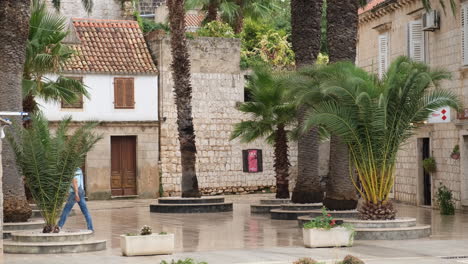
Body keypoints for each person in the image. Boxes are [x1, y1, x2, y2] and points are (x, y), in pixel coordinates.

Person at [58, 167, 94, 231]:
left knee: (66, 210)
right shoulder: (79, 169)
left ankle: (59, 226)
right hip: (81, 192)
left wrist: (76, 194)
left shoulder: (74, 170)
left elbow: (75, 182)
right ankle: (90, 228)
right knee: (85, 212)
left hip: (74, 193)